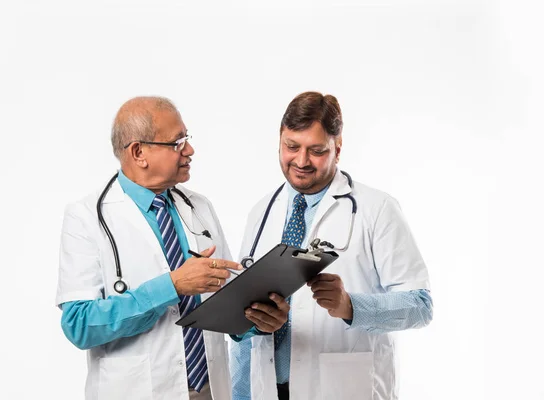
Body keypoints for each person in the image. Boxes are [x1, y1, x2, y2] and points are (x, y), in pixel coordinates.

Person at [229, 91, 433, 400]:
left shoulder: (376, 209)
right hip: (268, 389)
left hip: (341, 389)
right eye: (291, 146)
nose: (301, 161)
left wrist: (350, 307)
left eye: (316, 150)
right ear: (279, 141)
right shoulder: (262, 212)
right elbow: (245, 323)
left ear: (337, 148)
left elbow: (420, 305)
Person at [55, 96, 242, 400]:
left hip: (211, 389)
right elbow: (79, 324)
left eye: (187, 139)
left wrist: (255, 321)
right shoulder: (87, 216)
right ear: (139, 152)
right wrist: (172, 286)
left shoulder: (199, 206)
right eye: (177, 142)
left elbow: (227, 296)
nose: (190, 150)